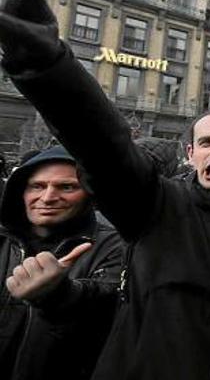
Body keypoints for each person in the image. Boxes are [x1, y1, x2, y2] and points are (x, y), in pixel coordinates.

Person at [0, 0, 210, 379]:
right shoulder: (158, 208)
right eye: (206, 142)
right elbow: (105, 149)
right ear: (190, 153)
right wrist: (50, 69)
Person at [0, 146, 122, 380]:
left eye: (66, 187)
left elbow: (111, 309)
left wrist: (60, 295)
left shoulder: (113, 246)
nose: (47, 198)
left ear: (89, 193)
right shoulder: (2, 240)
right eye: (37, 186)